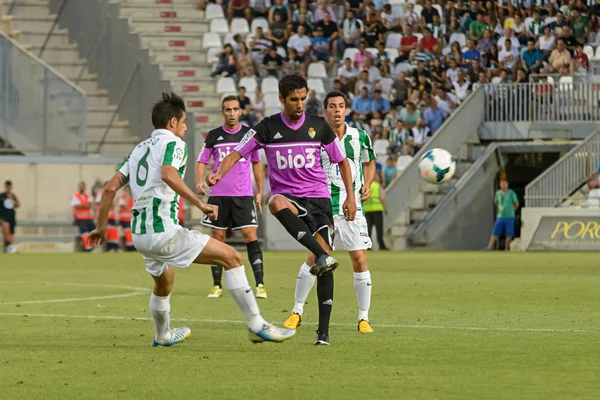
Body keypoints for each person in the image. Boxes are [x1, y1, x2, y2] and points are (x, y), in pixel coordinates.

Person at [89, 92, 295, 347]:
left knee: (164, 283)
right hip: (163, 231)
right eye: (184, 121)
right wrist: (199, 203)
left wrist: (100, 227)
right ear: (173, 123)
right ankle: (256, 324)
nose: (186, 127)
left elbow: (109, 189)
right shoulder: (174, 144)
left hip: (140, 236)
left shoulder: (138, 149)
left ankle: (163, 335)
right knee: (232, 257)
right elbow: (168, 173)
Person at [207, 74, 356, 345]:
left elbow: (342, 162)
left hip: (320, 200)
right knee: (275, 202)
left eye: (302, 98)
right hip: (290, 198)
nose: (299, 104)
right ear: (281, 99)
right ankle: (321, 254)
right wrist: (217, 174)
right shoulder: (267, 128)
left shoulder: (318, 126)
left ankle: (323, 334)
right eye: (293, 99)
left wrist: (351, 198)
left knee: (324, 267)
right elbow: (235, 154)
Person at [283, 90, 376, 333]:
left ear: (347, 110)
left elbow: (369, 162)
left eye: (341, 106)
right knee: (316, 258)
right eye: (332, 106)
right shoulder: (314, 136)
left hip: (352, 206)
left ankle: (363, 318)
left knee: (359, 259)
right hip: (322, 207)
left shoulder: (360, 136)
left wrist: (367, 184)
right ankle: (296, 311)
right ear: (325, 110)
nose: (337, 110)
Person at [196, 95, 268, 300]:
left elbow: (256, 163)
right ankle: (216, 285)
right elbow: (202, 160)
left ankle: (260, 285)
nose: (232, 113)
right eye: (228, 110)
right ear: (222, 112)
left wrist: (260, 191)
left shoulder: (249, 134)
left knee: (250, 236)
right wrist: (200, 181)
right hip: (218, 196)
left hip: (243, 196)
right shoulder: (213, 135)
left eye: (235, 109)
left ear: (240, 111)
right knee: (218, 239)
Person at [487, 178, 519, 251]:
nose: (503, 186)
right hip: (500, 216)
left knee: (509, 233)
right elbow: (496, 202)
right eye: (502, 184)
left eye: (504, 184)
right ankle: (489, 247)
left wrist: (512, 210)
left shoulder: (511, 193)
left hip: (510, 217)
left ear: (507, 185)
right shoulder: (498, 193)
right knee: (495, 232)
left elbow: (516, 203)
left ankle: (506, 248)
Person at [363, 173, 388, 251]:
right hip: (377, 210)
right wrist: (385, 209)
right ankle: (381, 245)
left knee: (368, 230)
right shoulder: (377, 186)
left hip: (367, 210)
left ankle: (368, 246)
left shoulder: (365, 186)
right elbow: (382, 198)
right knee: (379, 230)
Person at [95, 182, 120, 252]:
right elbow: (101, 203)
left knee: (112, 232)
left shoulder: (112, 193)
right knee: (102, 232)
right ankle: (98, 248)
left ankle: (112, 247)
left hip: (111, 216)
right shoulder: (100, 193)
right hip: (103, 216)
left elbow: (113, 205)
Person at [72, 181, 95, 252]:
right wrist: (85, 205)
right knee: (84, 232)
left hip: (88, 218)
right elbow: (76, 206)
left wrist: (82, 205)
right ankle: (87, 248)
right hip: (80, 218)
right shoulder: (75, 196)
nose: (82, 187)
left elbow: (90, 205)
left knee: (94, 230)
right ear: (79, 187)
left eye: (83, 186)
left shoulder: (88, 196)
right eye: (81, 186)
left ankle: (91, 245)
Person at [0, 180, 19, 253]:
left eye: (10, 187)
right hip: (3, 217)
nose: (9, 188)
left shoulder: (13, 196)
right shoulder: (2, 196)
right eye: (7, 187)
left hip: (11, 216)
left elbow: (17, 205)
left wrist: (12, 199)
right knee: (5, 227)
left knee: (10, 234)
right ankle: (8, 245)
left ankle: (8, 248)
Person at [118, 185, 135, 252]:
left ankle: (132, 246)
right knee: (127, 232)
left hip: (131, 218)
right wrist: (129, 207)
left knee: (131, 232)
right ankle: (129, 247)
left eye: (129, 190)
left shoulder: (132, 198)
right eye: (126, 190)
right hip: (124, 218)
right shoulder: (122, 197)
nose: (127, 192)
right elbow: (124, 206)